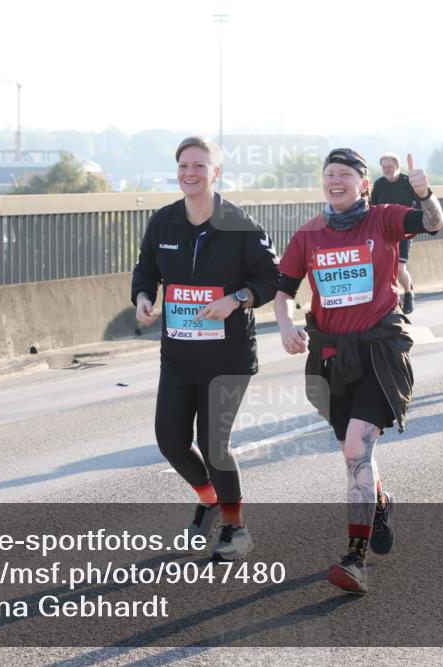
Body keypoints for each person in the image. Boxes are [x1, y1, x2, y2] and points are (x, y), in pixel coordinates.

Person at [274, 148, 443, 594]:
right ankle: (380, 502)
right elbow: (283, 289)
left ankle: (355, 559)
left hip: (379, 352)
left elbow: (433, 223)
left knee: (355, 449)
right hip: (332, 357)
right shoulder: (308, 234)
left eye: (345, 174)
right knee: (354, 454)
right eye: (329, 174)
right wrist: (286, 325)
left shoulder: (384, 219)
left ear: (363, 184)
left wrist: (425, 193)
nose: (335, 180)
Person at [132, 137, 278, 562]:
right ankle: (210, 499)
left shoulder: (241, 225)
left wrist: (236, 299)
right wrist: (142, 297)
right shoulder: (163, 222)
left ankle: (236, 528)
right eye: (183, 165)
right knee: (171, 441)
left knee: (214, 444)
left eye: (199, 165)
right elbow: (146, 270)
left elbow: (271, 279)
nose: (190, 173)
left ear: (216, 172)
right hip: (179, 355)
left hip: (227, 357)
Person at [371, 153, 422, 314]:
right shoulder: (379, 184)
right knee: (385, 269)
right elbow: (372, 208)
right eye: (384, 167)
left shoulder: (408, 182)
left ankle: (408, 292)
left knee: (399, 269)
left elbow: (420, 205)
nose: (387, 170)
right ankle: (392, 301)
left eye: (390, 166)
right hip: (384, 232)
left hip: (404, 231)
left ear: (397, 166)